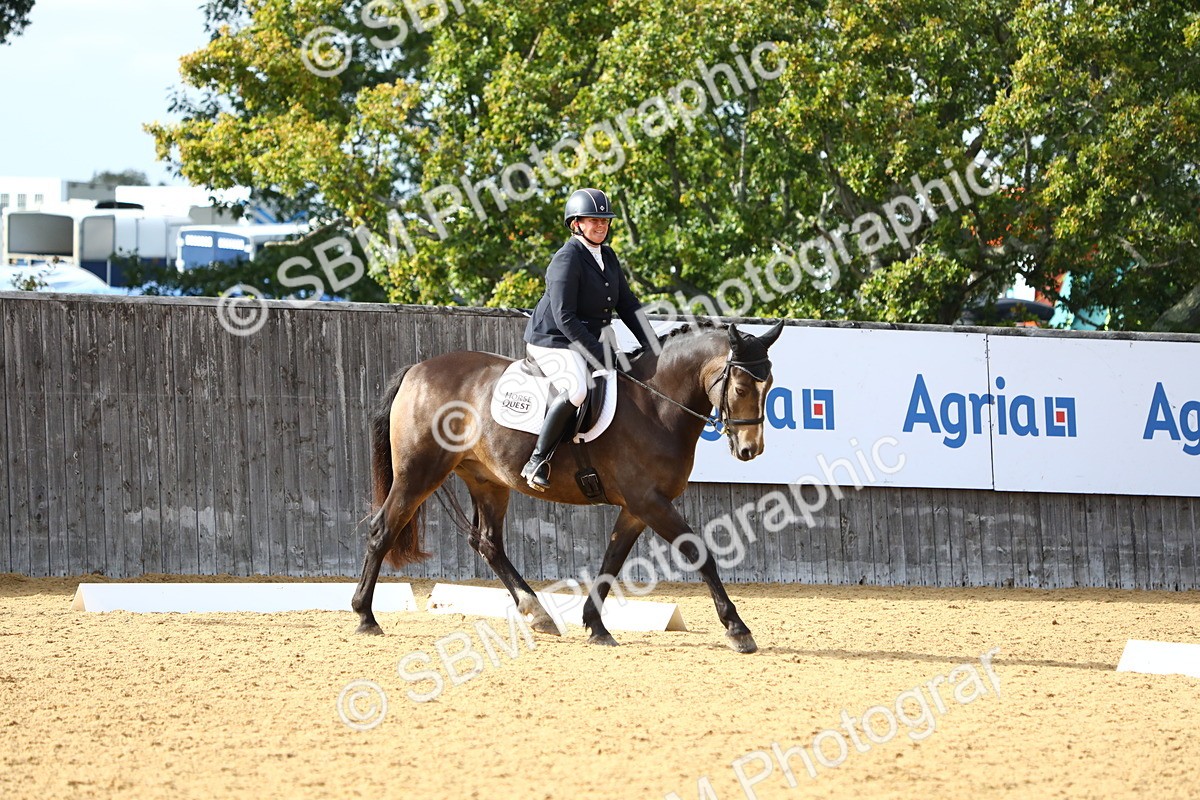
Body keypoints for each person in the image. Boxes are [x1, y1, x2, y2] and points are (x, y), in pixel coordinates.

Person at [520, 188, 655, 491]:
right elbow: (565, 317)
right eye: (593, 220)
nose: (600, 226)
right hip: (552, 340)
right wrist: (600, 354)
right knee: (577, 388)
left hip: (584, 338)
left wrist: (652, 345)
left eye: (605, 221)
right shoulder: (566, 259)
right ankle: (537, 460)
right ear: (576, 224)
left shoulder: (607, 255)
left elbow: (628, 304)